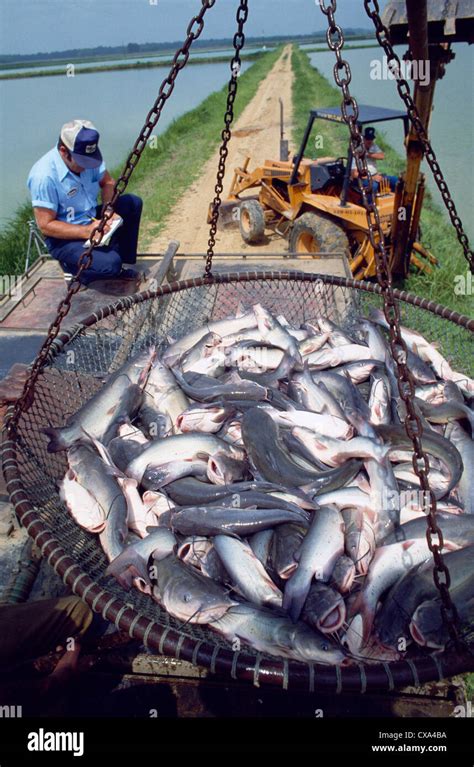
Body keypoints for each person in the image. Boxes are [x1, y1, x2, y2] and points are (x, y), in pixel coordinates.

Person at [27, 119, 143, 285]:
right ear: (63, 151)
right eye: (82, 162)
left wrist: (107, 208)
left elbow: (108, 182)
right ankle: (72, 268)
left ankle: (117, 263)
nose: (87, 166)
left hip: (89, 217)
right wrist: (85, 231)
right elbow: (45, 225)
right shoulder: (43, 177)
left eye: (90, 160)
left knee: (132, 203)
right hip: (63, 238)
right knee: (111, 264)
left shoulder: (89, 155)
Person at [351, 126, 398, 201]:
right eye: (368, 139)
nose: (370, 141)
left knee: (395, 181)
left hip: (376, 175)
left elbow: (382, 156)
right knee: (373, 186)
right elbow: (354, 174)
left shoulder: (373, 147)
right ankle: (368, 206)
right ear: (363, 138)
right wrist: (372, 178)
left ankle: (395, 203)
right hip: (363, 179)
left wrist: (368, 154)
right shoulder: (357, 152)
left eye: (371, 139)